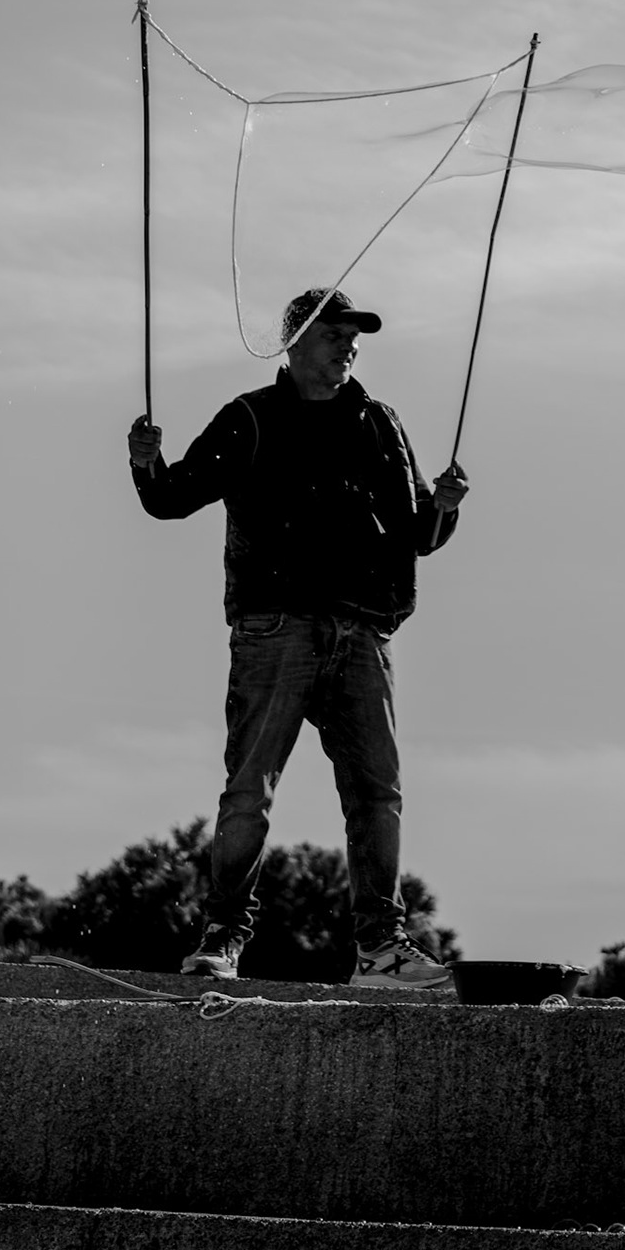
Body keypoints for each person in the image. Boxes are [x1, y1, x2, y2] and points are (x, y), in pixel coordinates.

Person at [126, 288, 468, 988]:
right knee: (248, 790)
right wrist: (145, 462)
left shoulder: (381, 422)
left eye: (354, 336)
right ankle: (222, 939)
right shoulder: (249, 417)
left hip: (363, 630)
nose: (349, 346)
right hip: (275, 626)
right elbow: (171, 497)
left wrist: (445, 507)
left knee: (378, 794)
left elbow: (417, 534)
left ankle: (381, 949)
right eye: (335, 334)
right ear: (294, 342)